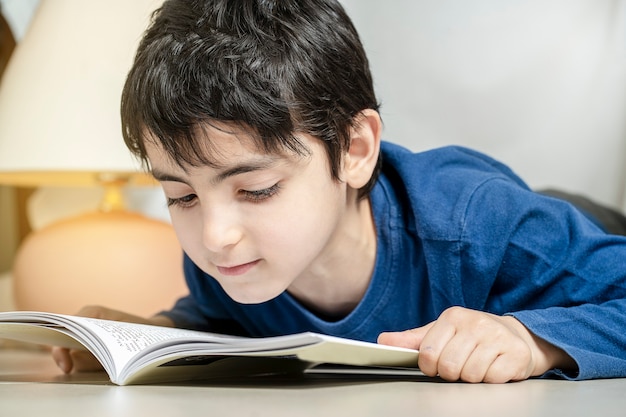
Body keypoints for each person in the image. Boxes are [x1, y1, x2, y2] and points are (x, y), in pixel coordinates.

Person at [52, 0, 626, 383]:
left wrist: (532, 340)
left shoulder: (480, 226)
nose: (216, 236)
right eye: (181, 197)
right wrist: (154, 336)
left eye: (256, 189)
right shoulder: (234, 261)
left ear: (354, 150)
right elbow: (231, 323)